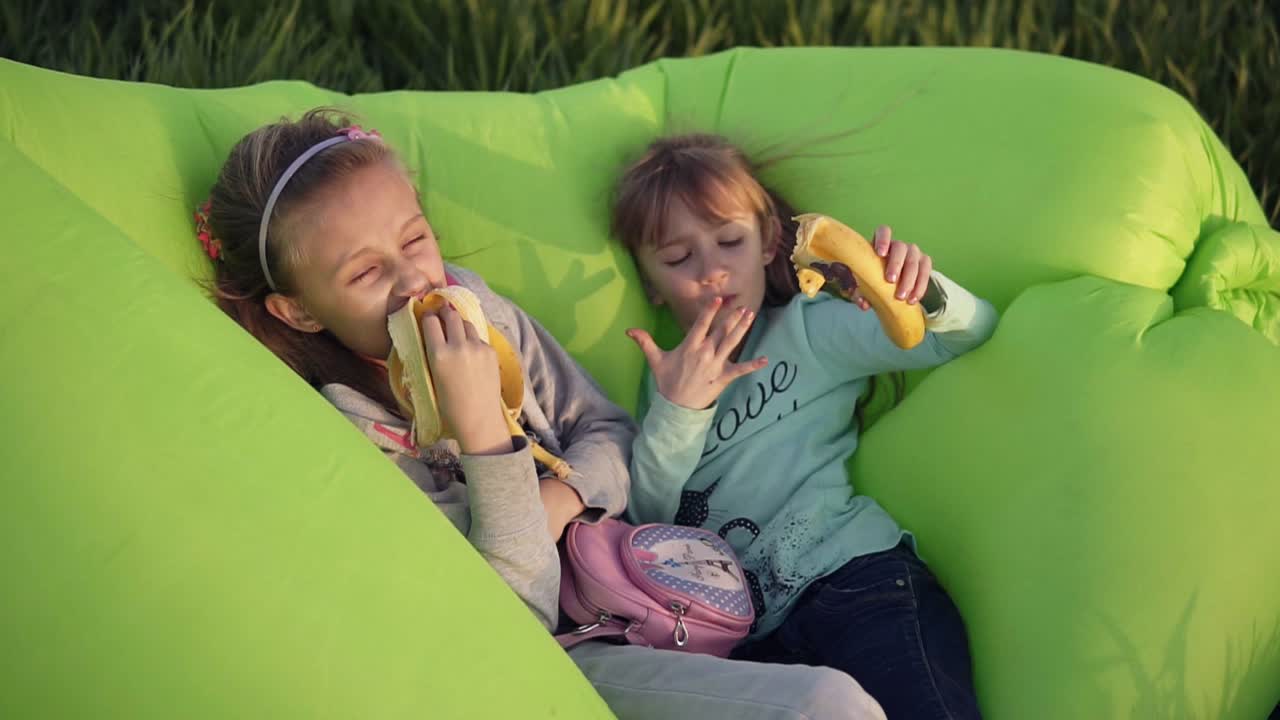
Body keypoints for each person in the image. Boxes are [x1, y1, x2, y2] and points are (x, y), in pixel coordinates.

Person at [197, 109, 885, 720]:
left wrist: (564, 495)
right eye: (365, 274)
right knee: (826, 705)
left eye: (414, 240)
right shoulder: (352, 432)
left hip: (646, 590)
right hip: (567, 655)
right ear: (299, 310)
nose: (415, 281)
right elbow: (509, 613)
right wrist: (484, 434)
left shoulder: (479, 309)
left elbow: (609, 429)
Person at [612, 132, 999, 719]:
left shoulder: (809, 330)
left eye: (729, 241)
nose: (713, 270)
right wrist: (680, 411)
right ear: (649, 284)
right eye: (678, 258)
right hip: (745, 640)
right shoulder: (660, 382)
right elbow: (649, 523)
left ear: (768, 243)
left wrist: (922, 291)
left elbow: (964, 337)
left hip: (856, 585)